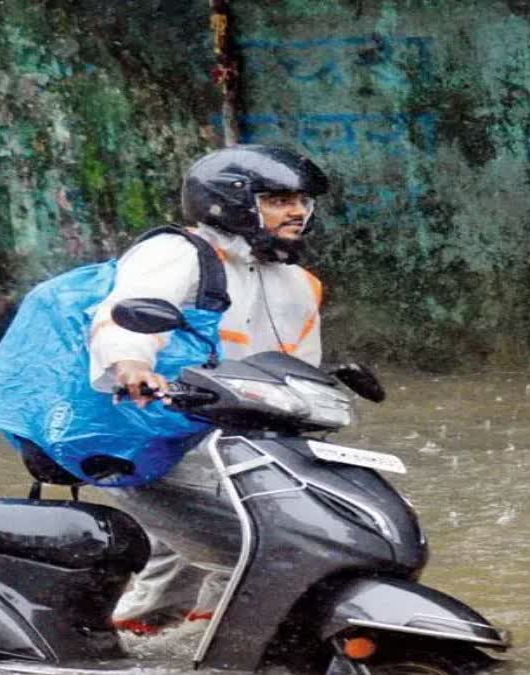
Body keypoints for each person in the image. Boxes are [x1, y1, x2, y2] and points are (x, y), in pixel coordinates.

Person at [95, 145, 330, 633]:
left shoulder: (298, 282)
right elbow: (125, 314)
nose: (298, 212)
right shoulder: (178, 253)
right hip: (151, 426)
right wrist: (132, 364)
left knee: (198, 548)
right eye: (279, 199)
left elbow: (301, 370)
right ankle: (194, 643)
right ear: (232, 200)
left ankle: (170, 639)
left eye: (302, 201)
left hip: (231, 439)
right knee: (256, 541)